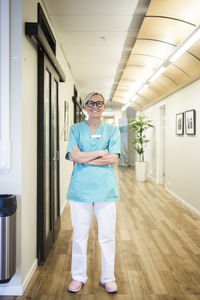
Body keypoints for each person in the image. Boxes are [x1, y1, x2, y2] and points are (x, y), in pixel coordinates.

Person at [65, 92, 120, 293]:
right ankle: (78, 277)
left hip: (105, 190)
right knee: (79, 235)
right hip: (80, 190)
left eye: (99, 103)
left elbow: (113, 158)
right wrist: (99, 152)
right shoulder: (76, 129)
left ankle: (108, 277)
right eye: (90, 103)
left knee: (107, 236)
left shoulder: (112, 130)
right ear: (85, 107)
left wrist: (84, 156)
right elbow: (73, 155)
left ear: (104, 107)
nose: (94, 106)